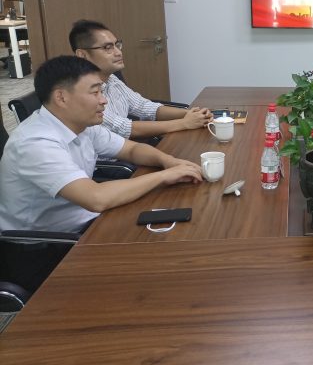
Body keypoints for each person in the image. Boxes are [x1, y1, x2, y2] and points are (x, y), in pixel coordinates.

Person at [0, 56, 203, 233]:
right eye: (95, 92)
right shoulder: (35, 143)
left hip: (89, 219)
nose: (104, 100)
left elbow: (132, 149)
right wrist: (164, 176)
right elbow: (96, 198)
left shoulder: (81, 123)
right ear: (61, 97)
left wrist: (168, 161)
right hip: (47, 244)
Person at [69, 19, 212, 139]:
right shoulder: (80, 93)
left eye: (117, 45)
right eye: (108, 47)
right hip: (108, 162)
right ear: (82, 55)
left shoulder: (112, 79)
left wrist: (191, 114)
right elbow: (124, 128)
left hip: (127, 149)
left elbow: (144, 107)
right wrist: (184, 123)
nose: (118, 52)